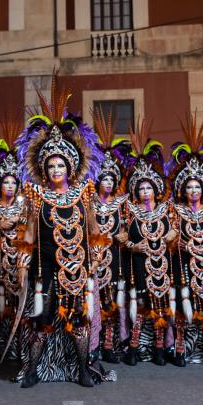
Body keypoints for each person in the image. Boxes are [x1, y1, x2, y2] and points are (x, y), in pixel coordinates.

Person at [16, 78, 111, 387]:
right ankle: (32, 371)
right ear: (44, 169)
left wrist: (94, 261)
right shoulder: (35, 195)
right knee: (41, 322)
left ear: (70, 168)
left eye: (61, 165)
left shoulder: (84, 193)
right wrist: (21, 265)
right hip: (44, 270)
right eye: (52, 166)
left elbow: (95, 231)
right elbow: (28, 235)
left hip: (77, 269)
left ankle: (83, 370)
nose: (56, 170)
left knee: (79, 323)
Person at [122, 119, 178, 367]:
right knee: (142, 305)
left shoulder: (168, 209)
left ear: (156, 189)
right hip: (139, 264)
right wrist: (133, 246)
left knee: (162, 306)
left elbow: (176, 229)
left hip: (163, 264)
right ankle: (133, 347)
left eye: (149, 188)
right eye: (141, 188)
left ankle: (159, 348)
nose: (145, 192)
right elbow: (121, 235)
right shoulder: (130, 209)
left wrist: (169, 236)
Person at [169, 112, 203, 367]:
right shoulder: (175, 209)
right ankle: (180, 345)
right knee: (183, 299)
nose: (193, 191)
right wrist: (174, 242)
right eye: (189, 187)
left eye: (197, 187)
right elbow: (167, 232)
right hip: (183, 261)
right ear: (183, 189)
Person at [0, 115, 30, 362]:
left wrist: (19, 222)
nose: (9, 186)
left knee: (20, 304)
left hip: (19, 261)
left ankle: (19, 347)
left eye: (13, 182)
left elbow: (30, 230)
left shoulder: (25, 206)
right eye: (5, 182)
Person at [88, 106, 130, 364]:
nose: (108, 183)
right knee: (94, 301)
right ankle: (93, 341)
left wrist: (122, 236)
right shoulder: (88, 201)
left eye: (112, 180)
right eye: (104, 179)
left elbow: (125, 227)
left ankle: (110, 344)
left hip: (115, 257)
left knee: (113, 300)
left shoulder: (122, 202)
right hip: (94, 257)